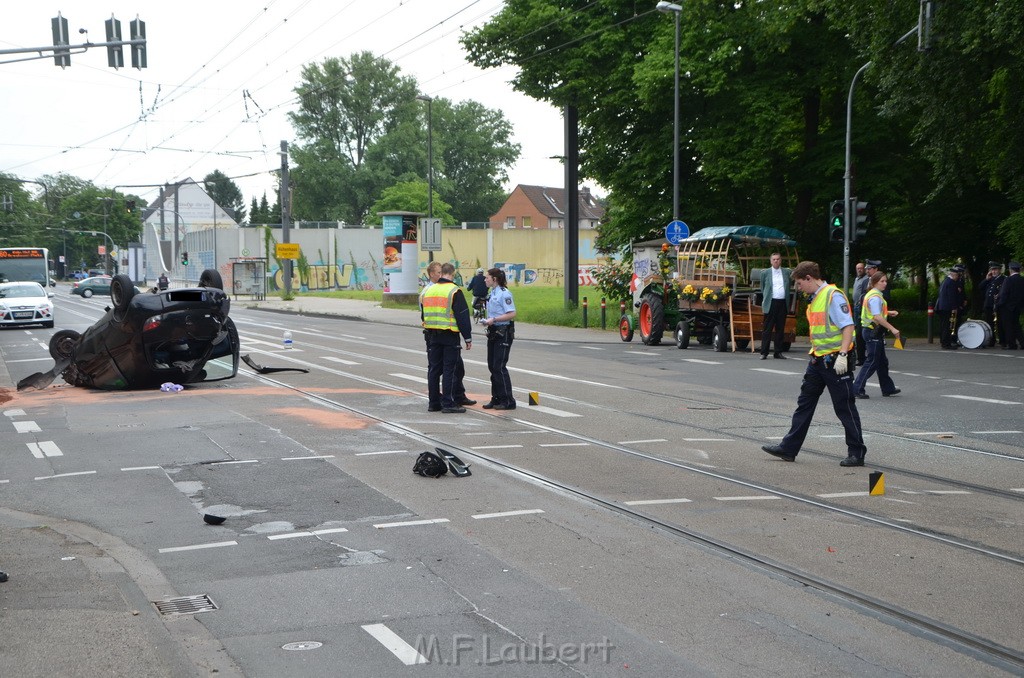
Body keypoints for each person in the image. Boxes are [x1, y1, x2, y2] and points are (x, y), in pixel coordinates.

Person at [761, 261, 867, 467]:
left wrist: (844, 355)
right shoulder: (816, 298)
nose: (799, 288)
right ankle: (789, 448)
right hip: (818, 360)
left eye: (800, 284)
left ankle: (857, 453)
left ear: (809, 278)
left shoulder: (833, 296)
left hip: (836, 361)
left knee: (844, 407)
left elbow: (848, 327)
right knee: (804, 404)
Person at [419, 262, 473, 413]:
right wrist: (467, 338)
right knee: (449, 369)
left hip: (432, 336)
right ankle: (448, 403)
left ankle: (434, 403)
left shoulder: (428, 291)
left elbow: (423, 315)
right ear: (453, 274)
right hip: (449, 335)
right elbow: (462, 317)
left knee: (434, 370)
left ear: (441, 273)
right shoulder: (454, 291)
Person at [852, 271, 901, 399]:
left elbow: (875, 312)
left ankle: (887, 388)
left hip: (872, 331)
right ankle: (857, 388)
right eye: (882, 281)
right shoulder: (875, 297)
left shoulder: (874, 294)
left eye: (885, 281)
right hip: (872, 332)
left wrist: (888, 312)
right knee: (872, 361)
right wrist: (893, 329)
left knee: (882, 362)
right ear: (874, 283)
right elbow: (877, 317)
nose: (885, 283)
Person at [481, 267, 517, 410]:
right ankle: (496, 398)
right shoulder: (492, 292)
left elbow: (512, 313)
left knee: (499, 366)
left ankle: (508, 400)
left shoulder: (504, 293)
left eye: (487, 277)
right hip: (494, 331)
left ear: (494, 279)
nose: (485, 279)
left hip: (503, 331)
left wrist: (494, 319)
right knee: (492, 366)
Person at [758, 252, 792, 359]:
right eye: (774, 259)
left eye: (778, 259)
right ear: (771, 261)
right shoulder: (765, 273)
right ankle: (764, 352)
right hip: (771, 302)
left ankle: (778, 352)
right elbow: (762, 288)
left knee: (780, 329)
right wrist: (767, 298)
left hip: (782, 303)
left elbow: (789, 286)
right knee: (767, 329)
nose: (776, 261)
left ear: (780, 260)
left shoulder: (786, 272)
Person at [852, 260, 880, 365]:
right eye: (866, 269)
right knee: (859, 335)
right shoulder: (864, 281)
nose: (867, 270)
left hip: (875, 316)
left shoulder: (881, 281)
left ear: (876, 269)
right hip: (862, 313)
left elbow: (884, 298)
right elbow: (862, 295)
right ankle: (862, 358)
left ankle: (873, 359)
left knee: (873, 337)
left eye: (869, 268)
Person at [935, 264, 967, 349]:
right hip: (947, 307)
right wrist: (954, 308)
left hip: (942, 307)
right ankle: (946, 344)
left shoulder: (945, 281)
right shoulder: (951, 282)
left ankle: (944, 341)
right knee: (947, 326)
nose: (958, 278)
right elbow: (951, 296)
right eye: (957, 275)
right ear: (954, 275)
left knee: (943, 325)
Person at [997, 261, 1024, 350]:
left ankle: (1011, 344)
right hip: (1018, 306)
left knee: (1008, 326)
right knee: (1016, 325)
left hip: (1007, 306)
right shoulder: (1022, 280)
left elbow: (1004, 293)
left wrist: (999, 304)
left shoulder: (1008, 280)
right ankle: (1022, 343)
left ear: (1010, 270)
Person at [980, 261, 1005, 348]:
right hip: (988, 304)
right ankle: (992, 340)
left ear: (999, 270)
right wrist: (986, 279)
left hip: (997, 305)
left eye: (995, 270)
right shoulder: (990, 279)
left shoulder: (1003, 279)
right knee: (989, 323)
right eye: (992, 270)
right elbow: (980, 287)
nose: (994, 272)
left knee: (999, 323)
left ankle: (1002, 340)